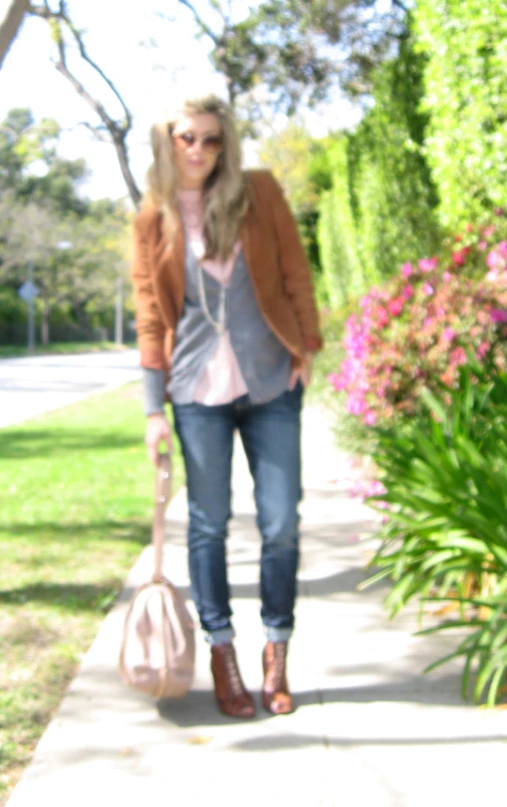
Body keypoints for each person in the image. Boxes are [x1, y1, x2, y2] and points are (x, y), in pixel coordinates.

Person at [131, 93, 322, 718]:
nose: (199, 151)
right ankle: (222, 653)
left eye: (212, 140)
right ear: (167, 141)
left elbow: (295, 271)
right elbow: (152, 316)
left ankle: (276, 651)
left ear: (225, 145)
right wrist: (153, 410)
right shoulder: (152, 217)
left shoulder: (259, 192)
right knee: (208, 525)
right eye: (187, 138)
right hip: (194, 391)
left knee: (280, 524)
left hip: (269, 382)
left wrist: (307, 347)